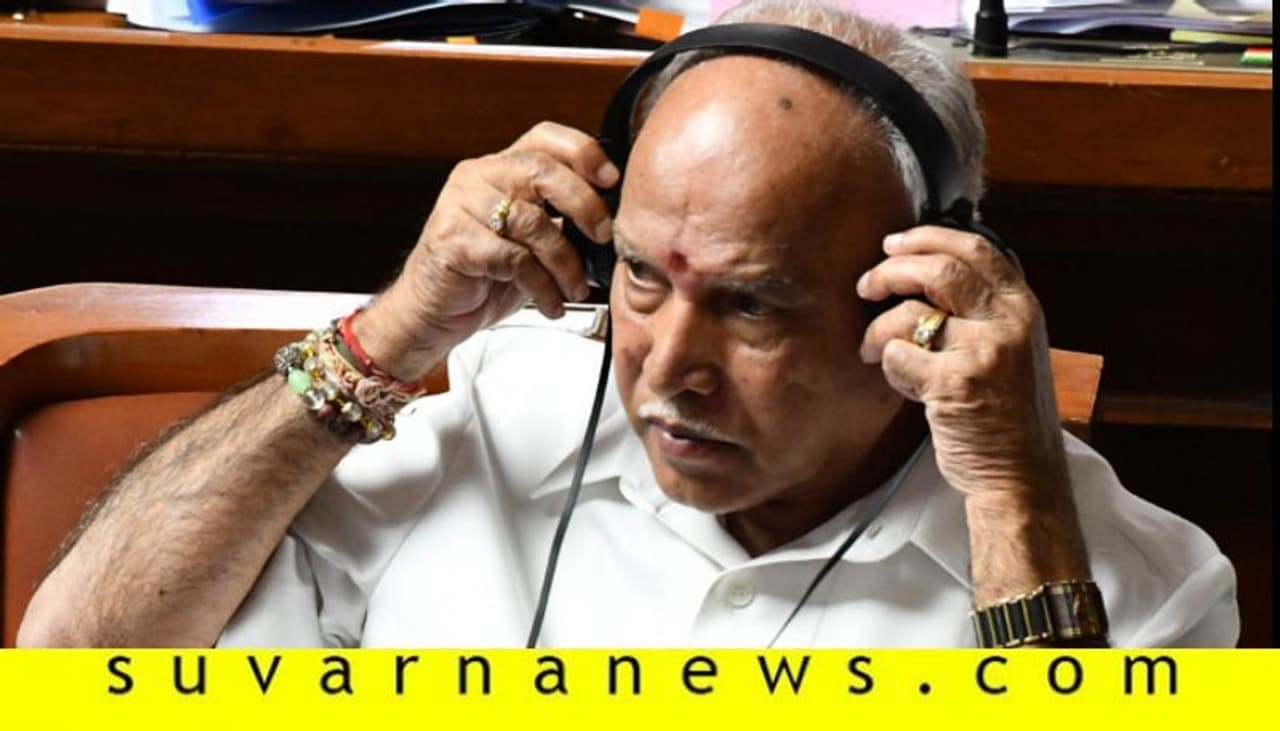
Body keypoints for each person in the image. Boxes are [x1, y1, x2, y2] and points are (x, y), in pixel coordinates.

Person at [18, 0, 1237, 648]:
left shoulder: (1148, 589)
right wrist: (386, 336)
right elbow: (80, 656)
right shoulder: (486, 417)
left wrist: (1013, 502)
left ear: (914, 295)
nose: (668, 372)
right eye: (643, 278)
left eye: (752, 302)